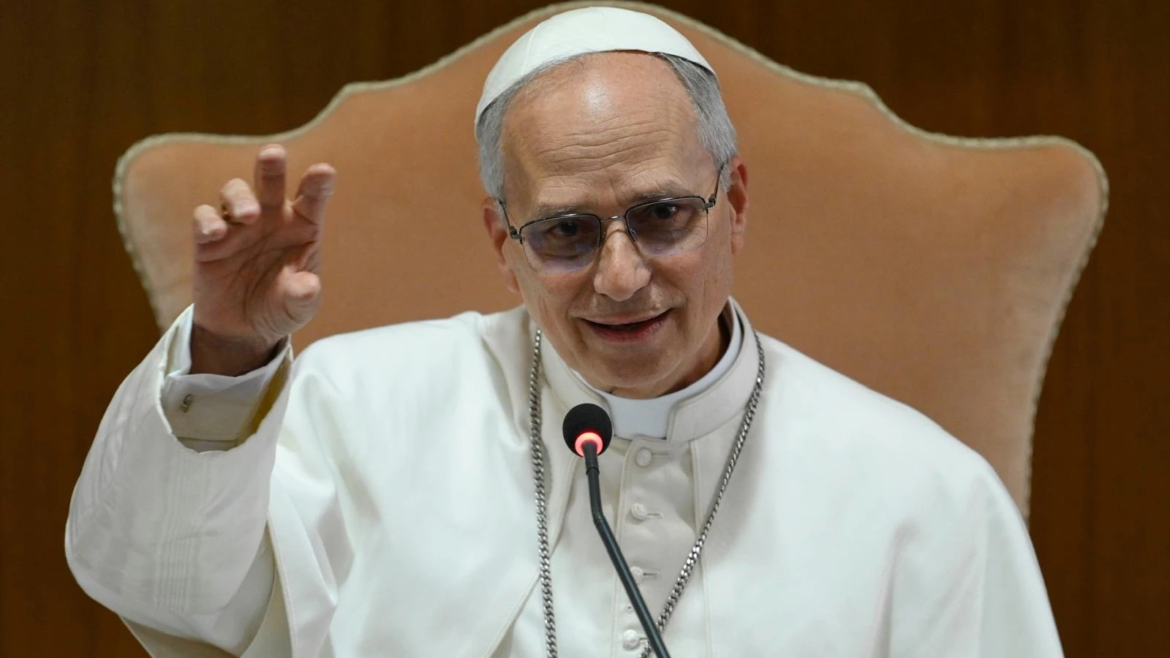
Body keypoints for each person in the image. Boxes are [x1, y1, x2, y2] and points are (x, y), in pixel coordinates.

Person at [66, 7, 1064, 658]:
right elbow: (166, 588)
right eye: (567, 232)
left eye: (664, 215)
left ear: (736, 204)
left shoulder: (925, 498)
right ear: (502, 239)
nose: (622, 277)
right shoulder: (360, 409)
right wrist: (228, 360)